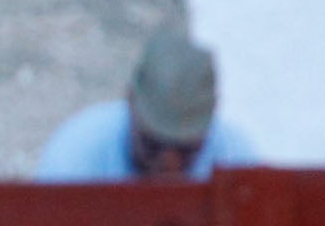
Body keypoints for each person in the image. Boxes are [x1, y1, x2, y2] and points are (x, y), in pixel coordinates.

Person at [36, 23, 261, 182]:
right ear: (131, 103)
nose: (170, 167)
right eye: (155, 144)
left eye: (187, 150)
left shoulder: (236, 157)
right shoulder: (77, 155)